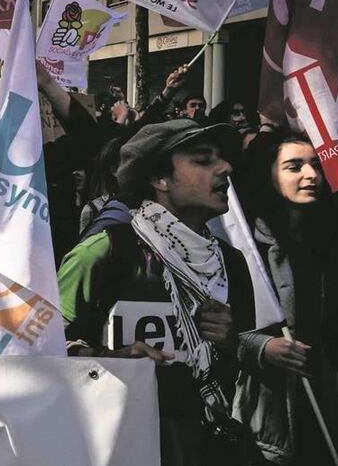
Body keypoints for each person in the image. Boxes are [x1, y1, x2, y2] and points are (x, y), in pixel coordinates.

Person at [57, 119, 257, 465]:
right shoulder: (105, 250)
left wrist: (231, 340)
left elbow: (246, 361)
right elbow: (41, 346)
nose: (225, 168)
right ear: (159, 179)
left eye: (222, 158)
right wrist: (109, 358)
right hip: (117, 444)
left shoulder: (230, 262)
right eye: (203, 159)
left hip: (206, 446)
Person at [232, 130, 338, 464]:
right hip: (274, 402)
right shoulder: (247, 248)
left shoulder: (336, 239)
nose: (311, 175)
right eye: (294, 166)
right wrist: (263, 347)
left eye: (315, 164)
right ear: (268, 175)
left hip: (332, 393)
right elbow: (218, 327)